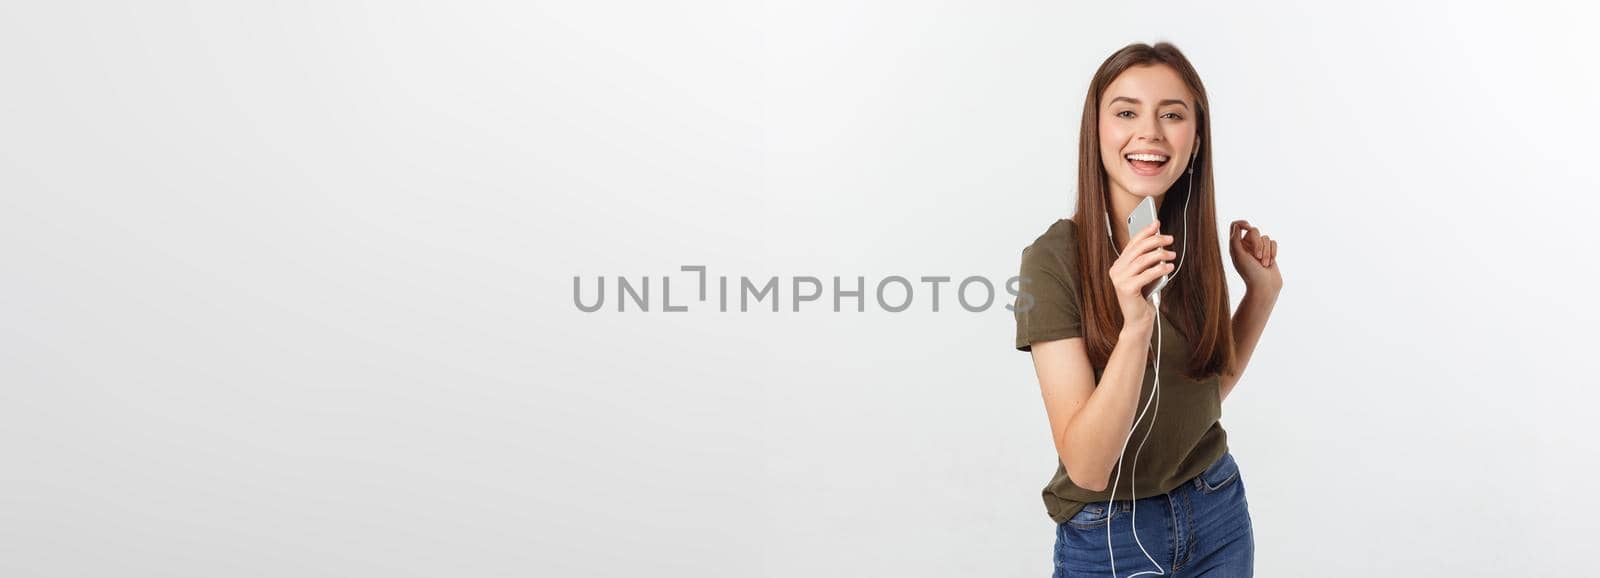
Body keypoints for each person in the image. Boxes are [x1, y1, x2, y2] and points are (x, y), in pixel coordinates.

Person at [1013, 42, 1284, 577]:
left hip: (1215, 507)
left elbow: (1201, 393)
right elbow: (1088, 467)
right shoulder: (1052, 261)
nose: (1151, 133)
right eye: (1126, 112)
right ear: (1097, 131)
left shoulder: (1186, 240)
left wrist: (1262, 293)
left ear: (1196, 138)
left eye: (1173, 115)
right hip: (1110, 533)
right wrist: (1135, 327)